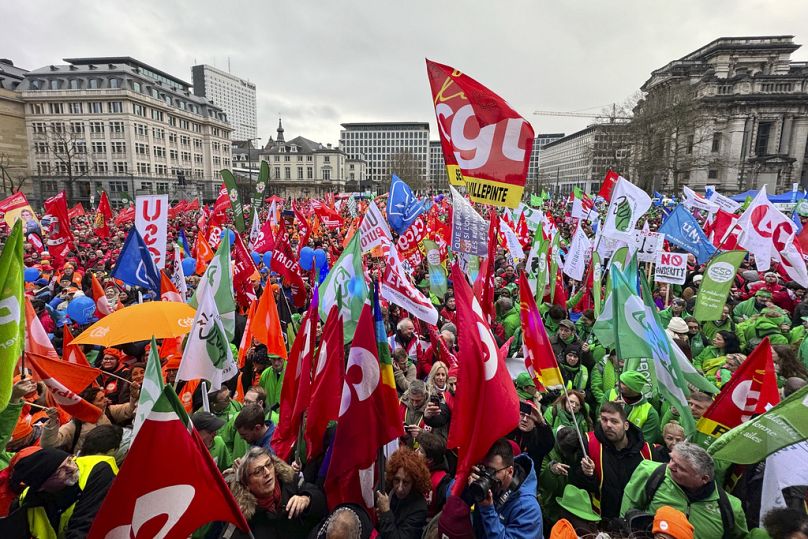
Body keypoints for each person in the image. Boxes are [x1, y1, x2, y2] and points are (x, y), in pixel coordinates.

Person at [621, 442, 748, 539]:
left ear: (703, 478)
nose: (670, 466)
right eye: (671, 459)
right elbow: (625, 518)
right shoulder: (650, 473)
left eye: (679, 467)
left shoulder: (731, 507)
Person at [8, 445, 117, 538]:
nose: (72, 468)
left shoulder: (98, 471)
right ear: (41, 486)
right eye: (61, 470)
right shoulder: (26, 503)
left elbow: (84, 528)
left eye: (70, 460)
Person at [219, 447, 327, 538]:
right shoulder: (242, 517)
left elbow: (321, 501)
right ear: (246, 484)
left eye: (268, 465)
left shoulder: (291, 482)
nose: (267, 473)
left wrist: (307, 499)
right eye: (258, 471)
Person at [573, 401, 653, 523]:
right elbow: (580, 487)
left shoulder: (647, 452)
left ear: (626, 425)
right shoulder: (588, 444)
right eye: (604, 420)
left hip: (633, 524)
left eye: (614, 421)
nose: (608, 425)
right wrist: (588, 475)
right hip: (601, 521)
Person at [468, 438, 543, 539]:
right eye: (484, 468)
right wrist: (470, 487)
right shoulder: (490, 484)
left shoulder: (528, 509)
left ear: (510, 471)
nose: (487, 476)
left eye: (493, 471)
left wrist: (487, 510)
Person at [40, 385, 138, 454]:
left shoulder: (108, 411)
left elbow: (129, 410)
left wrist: (133, 396)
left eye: (104, 397)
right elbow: (49, 444)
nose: (106, 400)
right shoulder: (75, 425)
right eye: (101, 399)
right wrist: (52, 422)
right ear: (90, 404)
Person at [375, 448, 430, 539]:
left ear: (414, 483)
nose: (400, 488)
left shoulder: (419, 508)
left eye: (405, 482)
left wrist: (386, 513)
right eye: (396, 480)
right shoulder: (386, 490)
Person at [603, 371, 660, 444]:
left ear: (633, 388)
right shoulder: (610, 394)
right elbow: (600, 421)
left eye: (623, 383)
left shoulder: (650, 413)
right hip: (606, 445)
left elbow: (644, 444)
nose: (617, 383)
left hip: (629, 452)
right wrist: (611, 409)